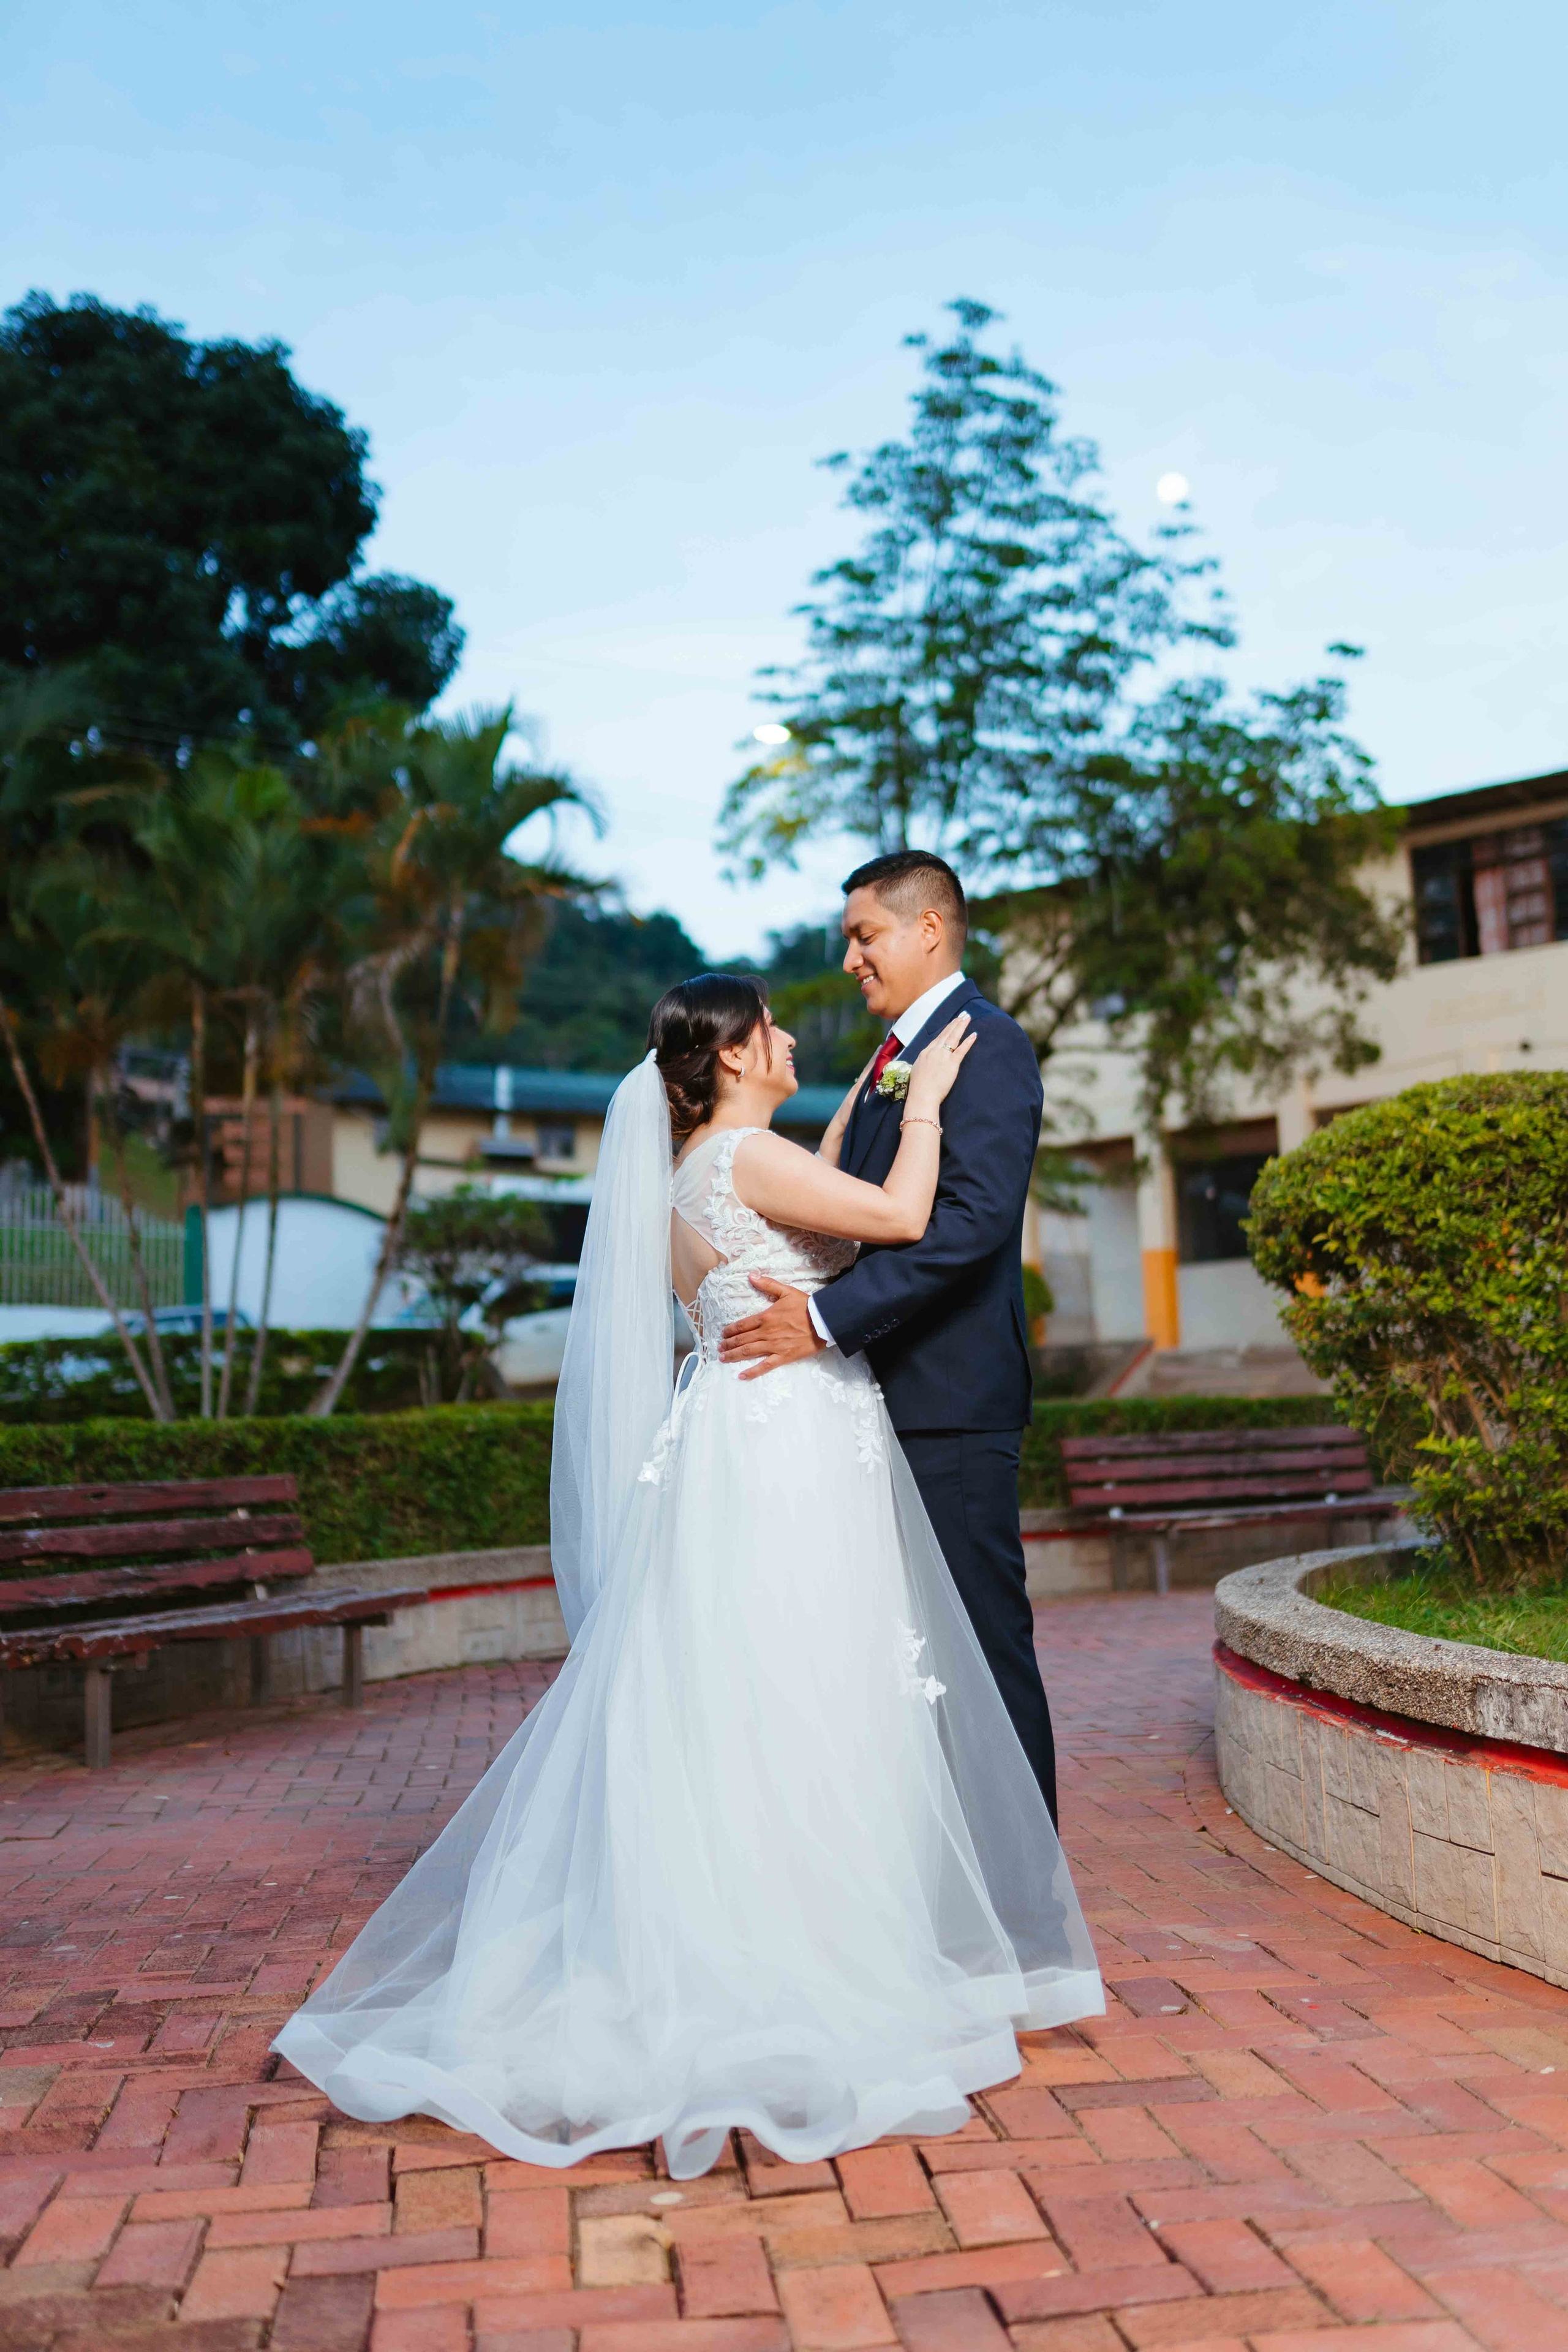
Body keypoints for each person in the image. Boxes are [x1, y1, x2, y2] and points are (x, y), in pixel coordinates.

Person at [273, 973, 1101, 2180]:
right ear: (721, 1058)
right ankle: (805, 1961)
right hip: (792, 1447)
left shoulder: (692, 1179)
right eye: (763, 1027)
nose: (785, 1036)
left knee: (740, 1693)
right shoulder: (748, 1161)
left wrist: (830, 1134)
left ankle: (748, 1931)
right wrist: (920, 1103)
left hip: (731, 1439)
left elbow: (793, 1217)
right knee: (809, 1690)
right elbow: (907, 1218)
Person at [720, 851, 1060, 1821]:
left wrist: (823, 1320)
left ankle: (1017, 1889)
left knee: (981, 1649)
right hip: (871, 1407)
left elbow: (972, 1223)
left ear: (928, 930)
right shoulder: (890, 1067)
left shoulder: (986, 1047)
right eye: (849, 942)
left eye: (865, 937)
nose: (852, 959)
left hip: (949, 1404)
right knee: (905, 1657)